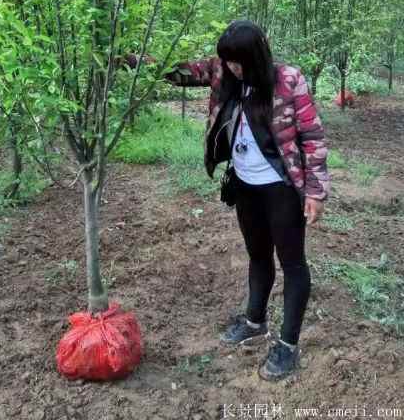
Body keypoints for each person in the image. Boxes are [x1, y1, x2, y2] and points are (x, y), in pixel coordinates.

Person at [125, 19, 330, 381]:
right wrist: (130, 59)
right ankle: (255, 321)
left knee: (293, 263)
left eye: (240, 62)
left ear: (257, 55)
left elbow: (311, 136)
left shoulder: (288, 80)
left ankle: (288, 346)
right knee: (257, 255)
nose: (234, 68)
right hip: (246, 184)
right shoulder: (224, 72)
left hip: (281, 186)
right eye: (229, 62)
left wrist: (315, 191)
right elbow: (180, 72)